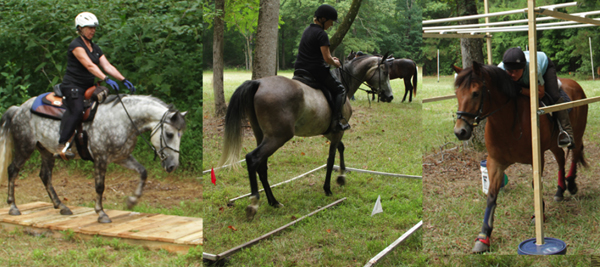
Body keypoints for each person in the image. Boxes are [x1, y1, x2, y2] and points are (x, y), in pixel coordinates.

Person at [55, 12, 136, 159]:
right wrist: (106, 79)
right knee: (77, 110)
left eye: (94, 28)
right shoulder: (76, 45)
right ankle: (62, 145)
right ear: (80, 28)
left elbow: (107, 65)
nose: (93, 30)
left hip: (88, 86)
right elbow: (89, 65)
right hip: (73, 86)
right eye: (89, 28)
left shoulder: (95, 48)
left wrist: (123, 79)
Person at [498, 47, 574, 148]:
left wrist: (520, 90)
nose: (513, 74)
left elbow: (540, 93)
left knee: (554, 95)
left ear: (524, 67)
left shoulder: (534, 68)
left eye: (517, 71)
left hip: (545, 65)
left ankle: (566, 132)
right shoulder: (500, 70)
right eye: (510, 71)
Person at [294, 4, 350, 133]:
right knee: (341, 90)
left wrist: (331, 58)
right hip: (315, 71)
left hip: (300, 69)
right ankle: (336, 122)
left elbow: (318, 54)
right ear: (323, 19)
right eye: (331, 21)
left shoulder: (307, 30)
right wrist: (335, 63)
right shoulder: (321, 34)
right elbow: (327, 59)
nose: (331, 25)